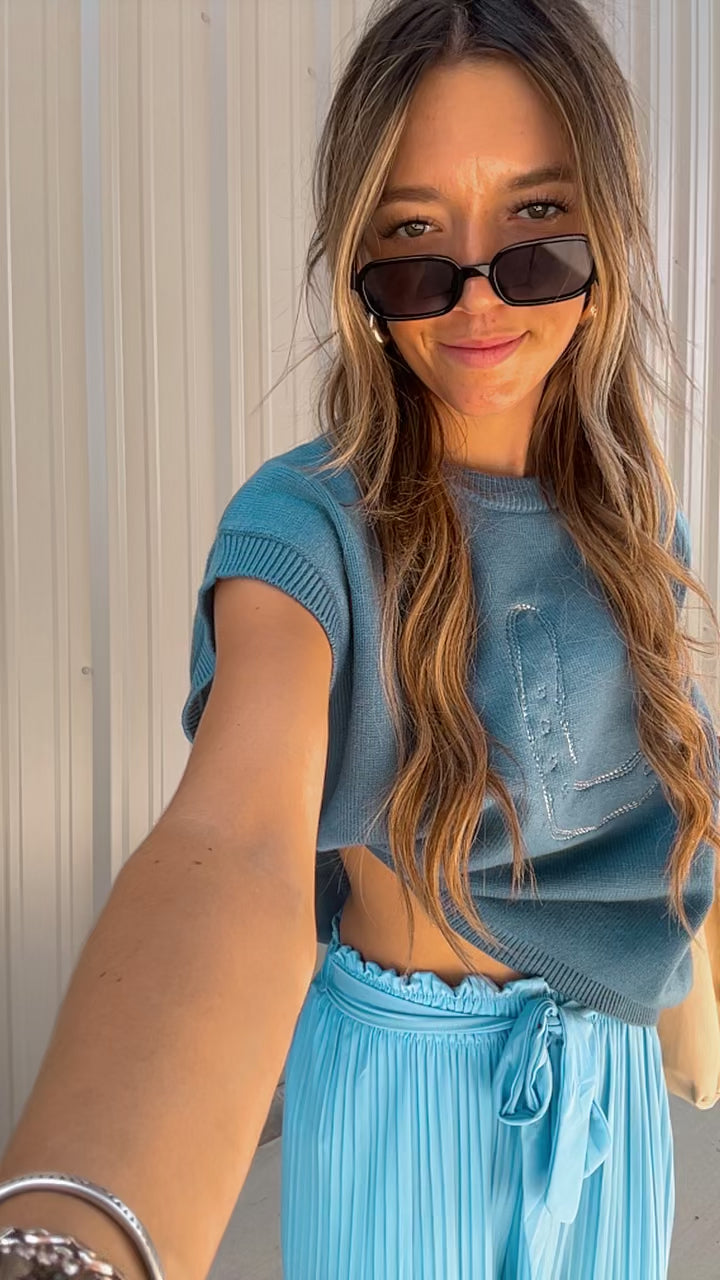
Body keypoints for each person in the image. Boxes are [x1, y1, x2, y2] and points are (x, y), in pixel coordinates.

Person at [1, 2, 719, 1279]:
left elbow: (678, 782)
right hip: (407, 1096)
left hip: (609, 1096)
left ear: (606, 232)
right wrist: (70, 1241)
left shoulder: (631, 514)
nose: (478, 293)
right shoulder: (308, 524)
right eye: (415, 242)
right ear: (360, 269)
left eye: (538, 225)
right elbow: (232, 845)